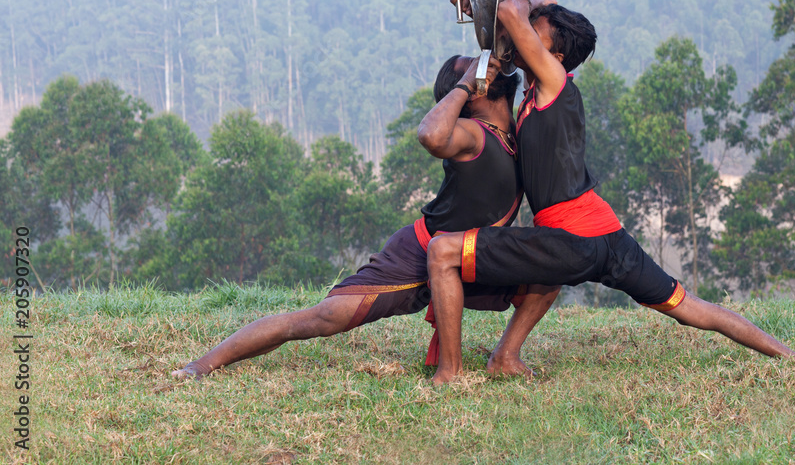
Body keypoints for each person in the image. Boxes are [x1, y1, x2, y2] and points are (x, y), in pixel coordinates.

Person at [427, 0, 795, 384]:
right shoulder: (536, 91)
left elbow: (512, 11)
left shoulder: (554, 82)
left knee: (442, 251)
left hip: (571, 240)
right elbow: (507, 31)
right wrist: (483, 6)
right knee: (689, 306)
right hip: (606, 236)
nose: (521, 31)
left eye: (533, 30)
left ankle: (450, 373)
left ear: (555, 57)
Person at [173, 55, 559, 380]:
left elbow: (529, 35)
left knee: (554, 268)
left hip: (473, 258)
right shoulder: (471, 134)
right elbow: (430, 135)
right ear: (469, 94)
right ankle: (201, 366)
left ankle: (504, 358)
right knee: (322, 319)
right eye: (470, 65)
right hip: (417, 256)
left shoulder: (516, 126)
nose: (482, 64)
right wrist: (463, 83)